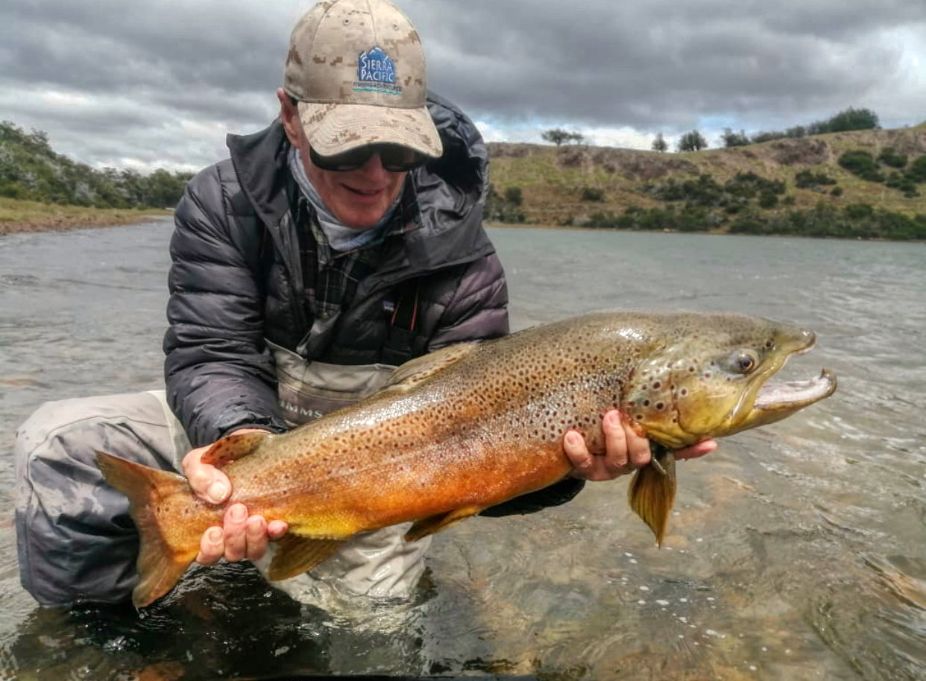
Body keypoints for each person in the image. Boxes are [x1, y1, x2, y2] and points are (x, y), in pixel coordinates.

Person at [14, 0, 716, 608]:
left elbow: (484, 457)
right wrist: (238, 446)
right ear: (291, 118)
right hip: (241, 433)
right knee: (59, 447)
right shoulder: (223, 204)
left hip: (385, 472)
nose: (376, 175)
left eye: (397, 149)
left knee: (368, 629)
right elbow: (211, 351)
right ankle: (116, 642)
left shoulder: (465, 260)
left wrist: (569, 469)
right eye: (348, 150)